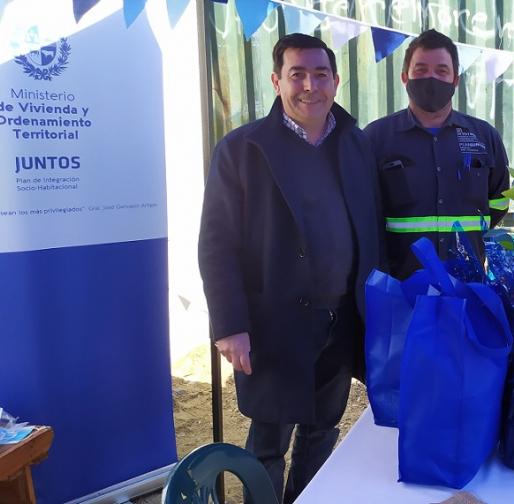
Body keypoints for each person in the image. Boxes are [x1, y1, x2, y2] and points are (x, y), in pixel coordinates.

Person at [197, 33, 382, 503]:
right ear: (276, 80)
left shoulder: (356, 144)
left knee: (322, 428)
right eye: (297, 74)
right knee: (268, 440)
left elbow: (371, 225)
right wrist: (230, 324)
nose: (309, 86)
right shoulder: (242, 150)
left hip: (342, 317)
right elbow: (216, 245)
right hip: (272, 322)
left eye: (320, 74)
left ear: (336, 81)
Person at [364, 29, 509, 280]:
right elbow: (363, 212)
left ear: (455, 80)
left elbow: (498, 204)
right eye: (420, 70)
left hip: (468, 287)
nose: (430, 78)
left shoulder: (484, 137)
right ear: (404, 77)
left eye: (442, 71)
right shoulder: (376, 138)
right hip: (399, 287)